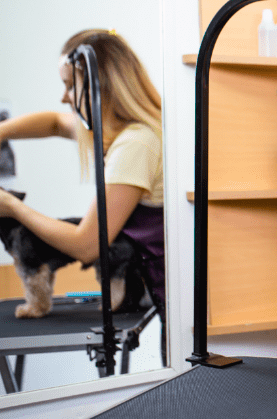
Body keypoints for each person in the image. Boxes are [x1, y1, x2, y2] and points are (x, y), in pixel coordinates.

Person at [0, 29, 166, 365]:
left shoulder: (134, 145)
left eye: (70, 85)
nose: (64, 97)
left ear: (99, 86)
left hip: (164, 293)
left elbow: (86, 245)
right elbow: (52, 124)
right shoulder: (122, 131)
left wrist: (12, 206)